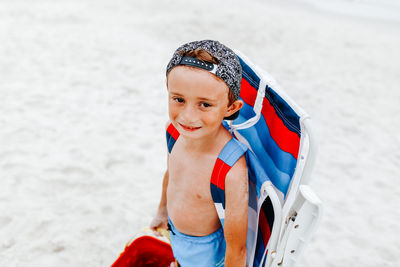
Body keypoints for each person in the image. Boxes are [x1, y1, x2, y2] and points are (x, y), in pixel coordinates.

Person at [150, 40, 248, 267]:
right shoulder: (173, 132)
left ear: (230, 108)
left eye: (204, 104)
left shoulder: (229, 167)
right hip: (176, 237)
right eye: (179, 99)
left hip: (206, 257)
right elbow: (171, 174)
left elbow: (237, 247)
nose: (187, 116)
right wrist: (162, 211)